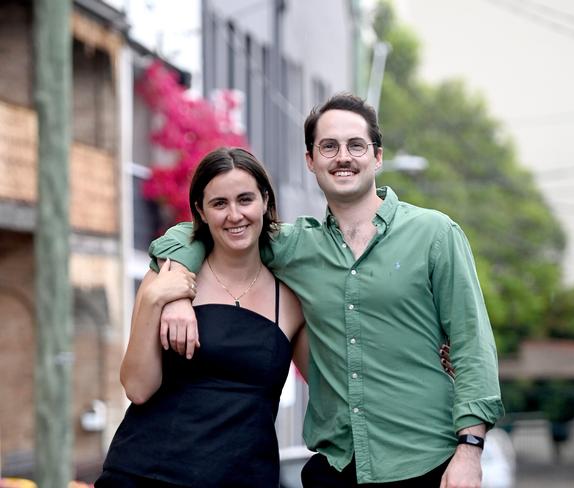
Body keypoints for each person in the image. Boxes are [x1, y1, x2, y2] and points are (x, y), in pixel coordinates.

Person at [149, 93, 505, 487]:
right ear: (311, 160)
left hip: (427, 463)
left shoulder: (434, 234)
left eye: (356, 145)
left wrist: (470, 450)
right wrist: (176, 292)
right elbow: (200, 230)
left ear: (378, 156)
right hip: (335, 469)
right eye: (329, 146)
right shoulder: (295, 246)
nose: (343, 157)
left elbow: (473, 346)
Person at [96, 147, 308, 487]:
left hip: (245, 479)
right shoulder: (168, 277)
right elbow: (137, 387)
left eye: (245, 199)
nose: (235, 215)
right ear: (201, 211)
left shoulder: (294, 299)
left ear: (265, 201)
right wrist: (155, 298)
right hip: (147, 474)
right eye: (219, 203)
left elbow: (329, 384)